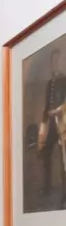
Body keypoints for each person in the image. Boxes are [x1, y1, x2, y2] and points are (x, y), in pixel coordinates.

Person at [39, 48, 66, 209]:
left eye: (57, 60)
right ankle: (47, 188)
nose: (54, 63)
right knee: (46, 156)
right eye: (52, 61)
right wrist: (44, 120)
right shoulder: (50, 83)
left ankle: (65, 193)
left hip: (62, 123)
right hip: (49, 124)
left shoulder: (65, 80)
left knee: (64, 160)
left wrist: (58, 110)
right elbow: (46, 104)